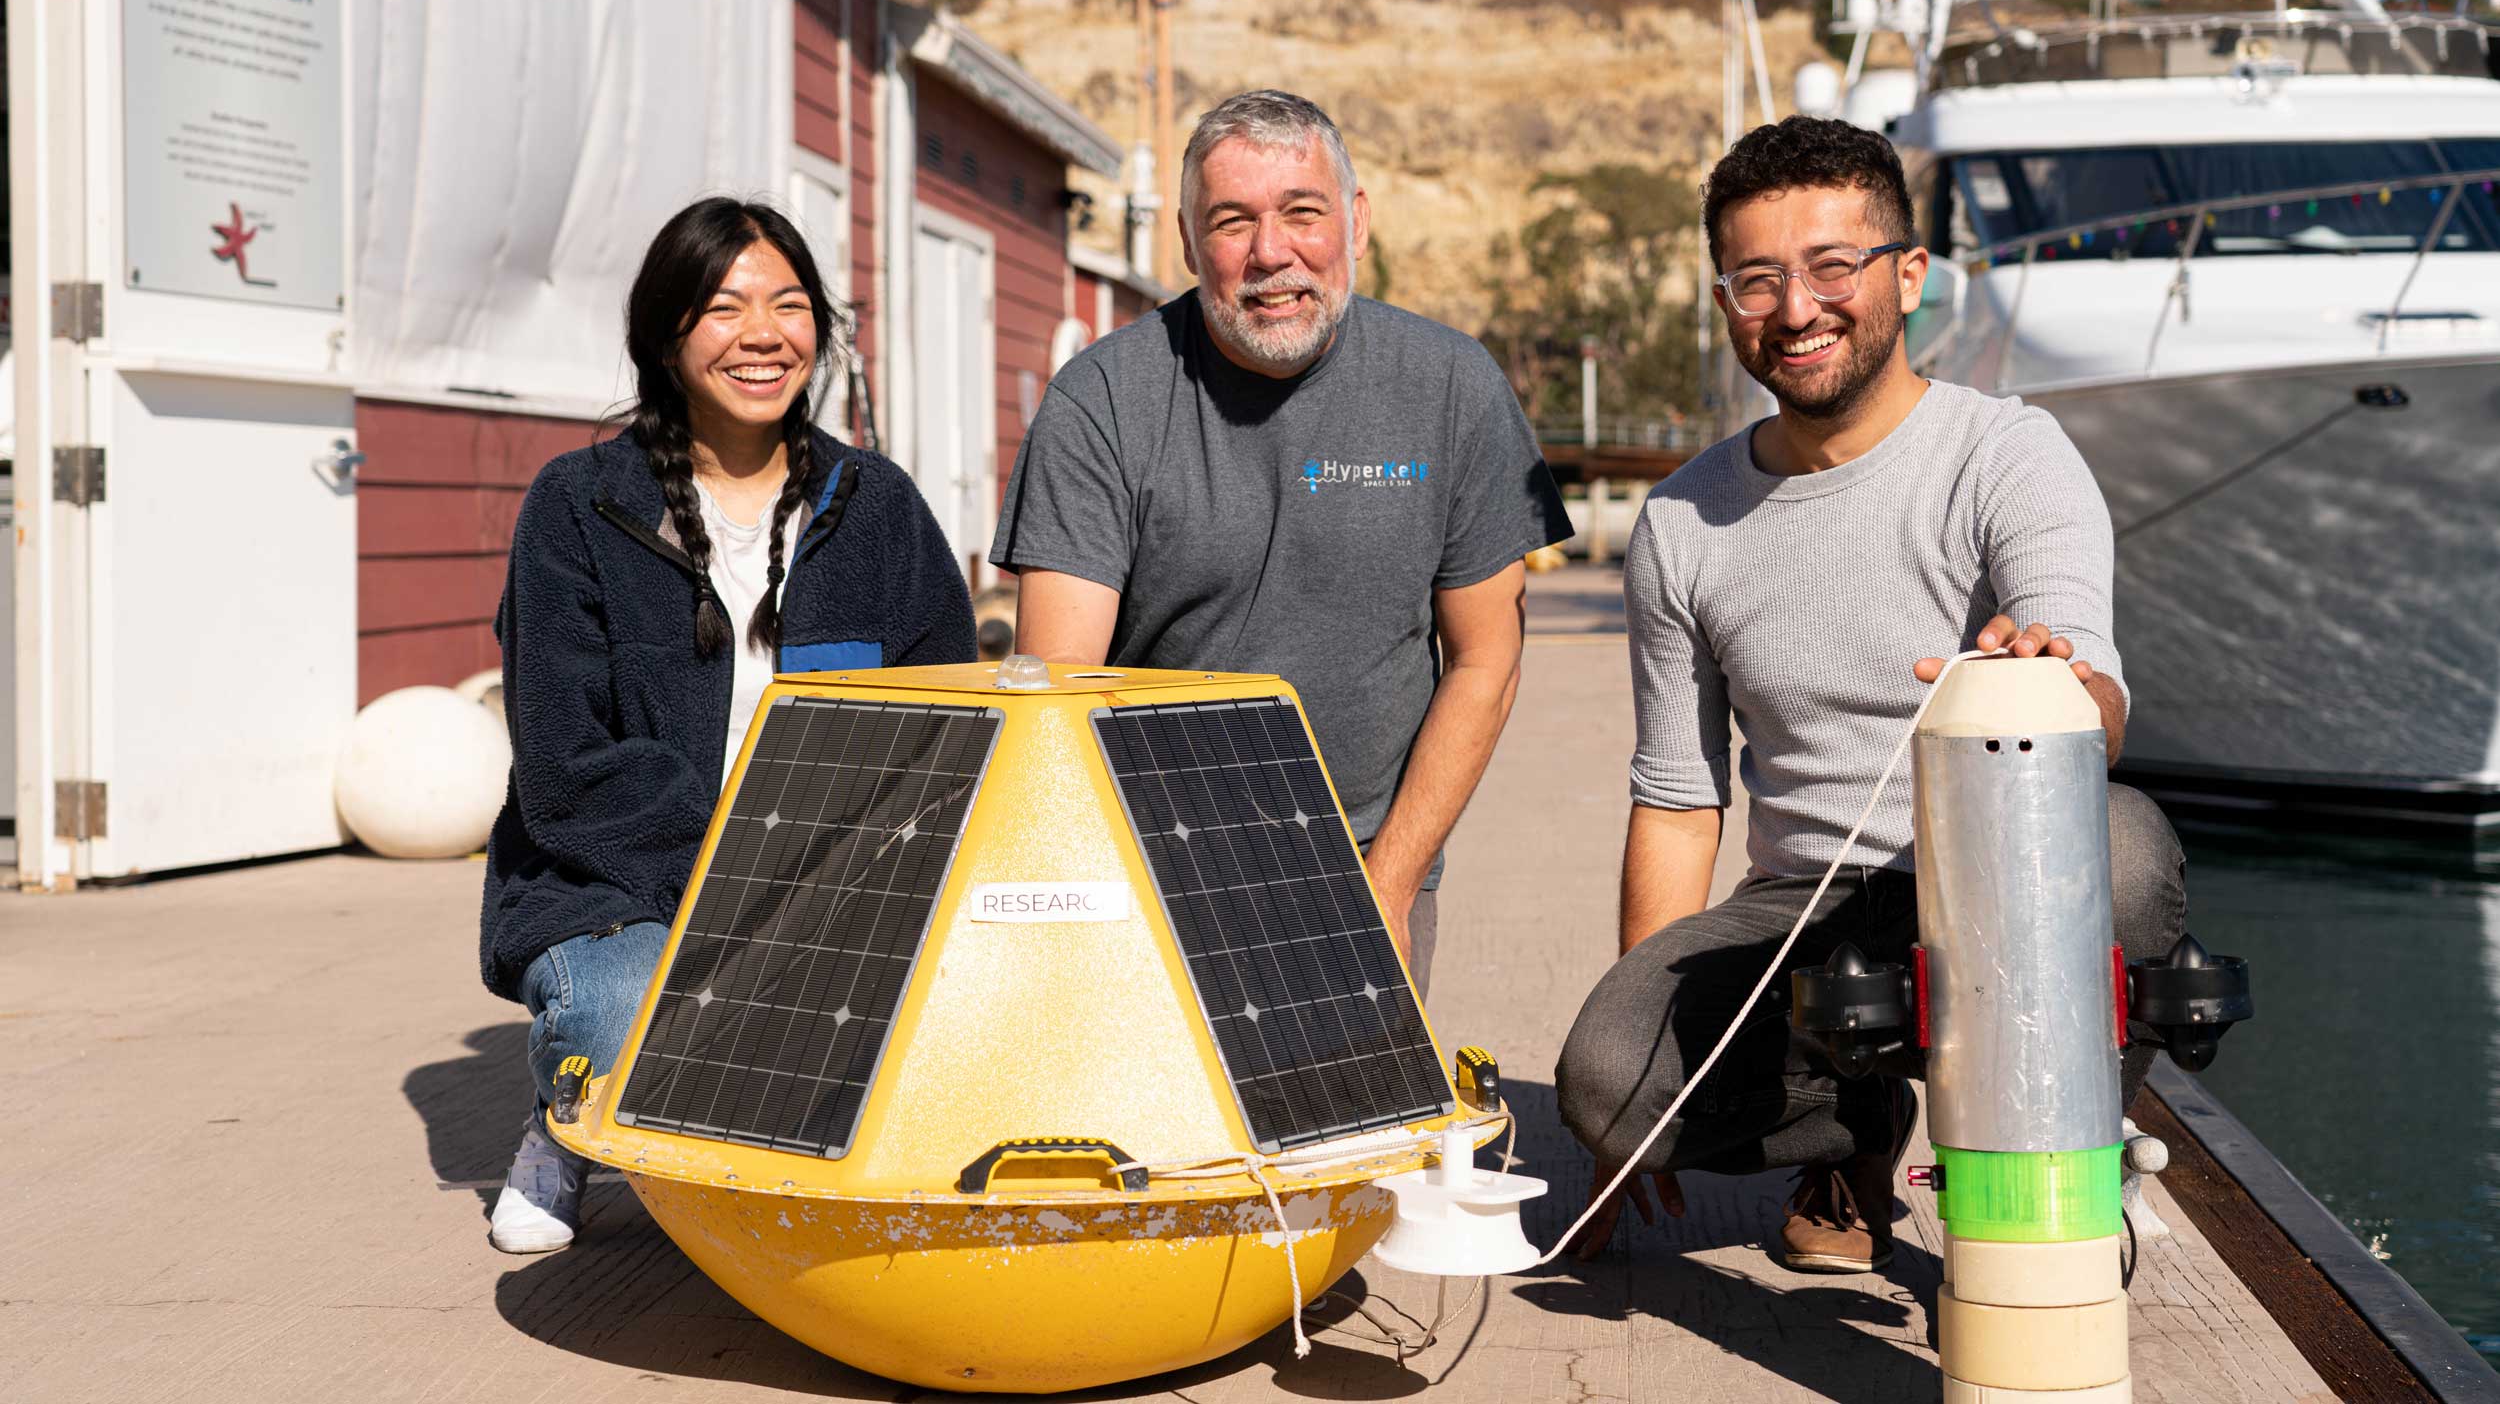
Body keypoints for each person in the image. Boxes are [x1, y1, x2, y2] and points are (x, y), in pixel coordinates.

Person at [1553, 117, 2187, 1274]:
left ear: (1906, 274)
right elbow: (1677, 796)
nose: (1796, 308)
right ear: (1725, 300)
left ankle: (2057, 1159)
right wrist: (1638, 1090)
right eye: (1757, 278)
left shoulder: (2009, 452)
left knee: (2123, 842)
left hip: (1994, 865)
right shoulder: (1683, 522)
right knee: (1605, 1080)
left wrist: (2050, 672)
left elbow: (2099, 706)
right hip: (1799, 909)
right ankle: (1857, 1130)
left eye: (1832, 266)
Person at [989, 90, 1574, 994]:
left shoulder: (1451, 387)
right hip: (1151, 870)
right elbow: (1057, 693)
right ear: (1187, 243)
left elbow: (1484, 665)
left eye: (1302, 212)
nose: (1272, 253)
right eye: (1232, 221)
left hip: (1370, 859)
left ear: (1356, 221)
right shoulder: (1100, 402)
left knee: (1351, 1134)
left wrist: (1388, 887)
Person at [477, 197, 976, 1254]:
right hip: (624, 878)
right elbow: (564, 761)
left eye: (789, 304)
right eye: (724, 306)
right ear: (665, 335)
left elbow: (948, 720)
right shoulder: (579, 506)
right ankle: (566, 1125)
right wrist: (736, 865)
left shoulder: (875, 504)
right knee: (623, 1019)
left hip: (840, 872)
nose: (764, 334)